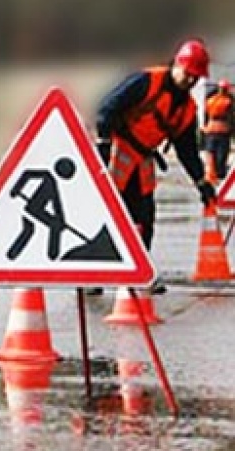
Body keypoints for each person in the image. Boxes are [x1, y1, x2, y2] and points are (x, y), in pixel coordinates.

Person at [95, 39, 216, 295]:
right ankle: (95, 274)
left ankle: (140, 272)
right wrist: (104, 144)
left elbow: (187, 150)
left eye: (196, 77)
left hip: (143, 159)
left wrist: (201, 182)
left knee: (145, 217)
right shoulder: (147, 81)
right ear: (177, 64)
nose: (190, 80)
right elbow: (106, 109)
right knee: (108, 213)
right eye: (188, 73)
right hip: (119, 151)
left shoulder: (187, 110)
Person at [202, 78, 233, 184]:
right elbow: (231, 117)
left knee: (211, 152)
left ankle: (211, 174)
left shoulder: (210, 100)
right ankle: (220, 173)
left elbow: (206, 115)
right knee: (222, 153)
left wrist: (205, 127)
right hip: (223, 129)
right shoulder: (228, 101)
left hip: (210, 129)